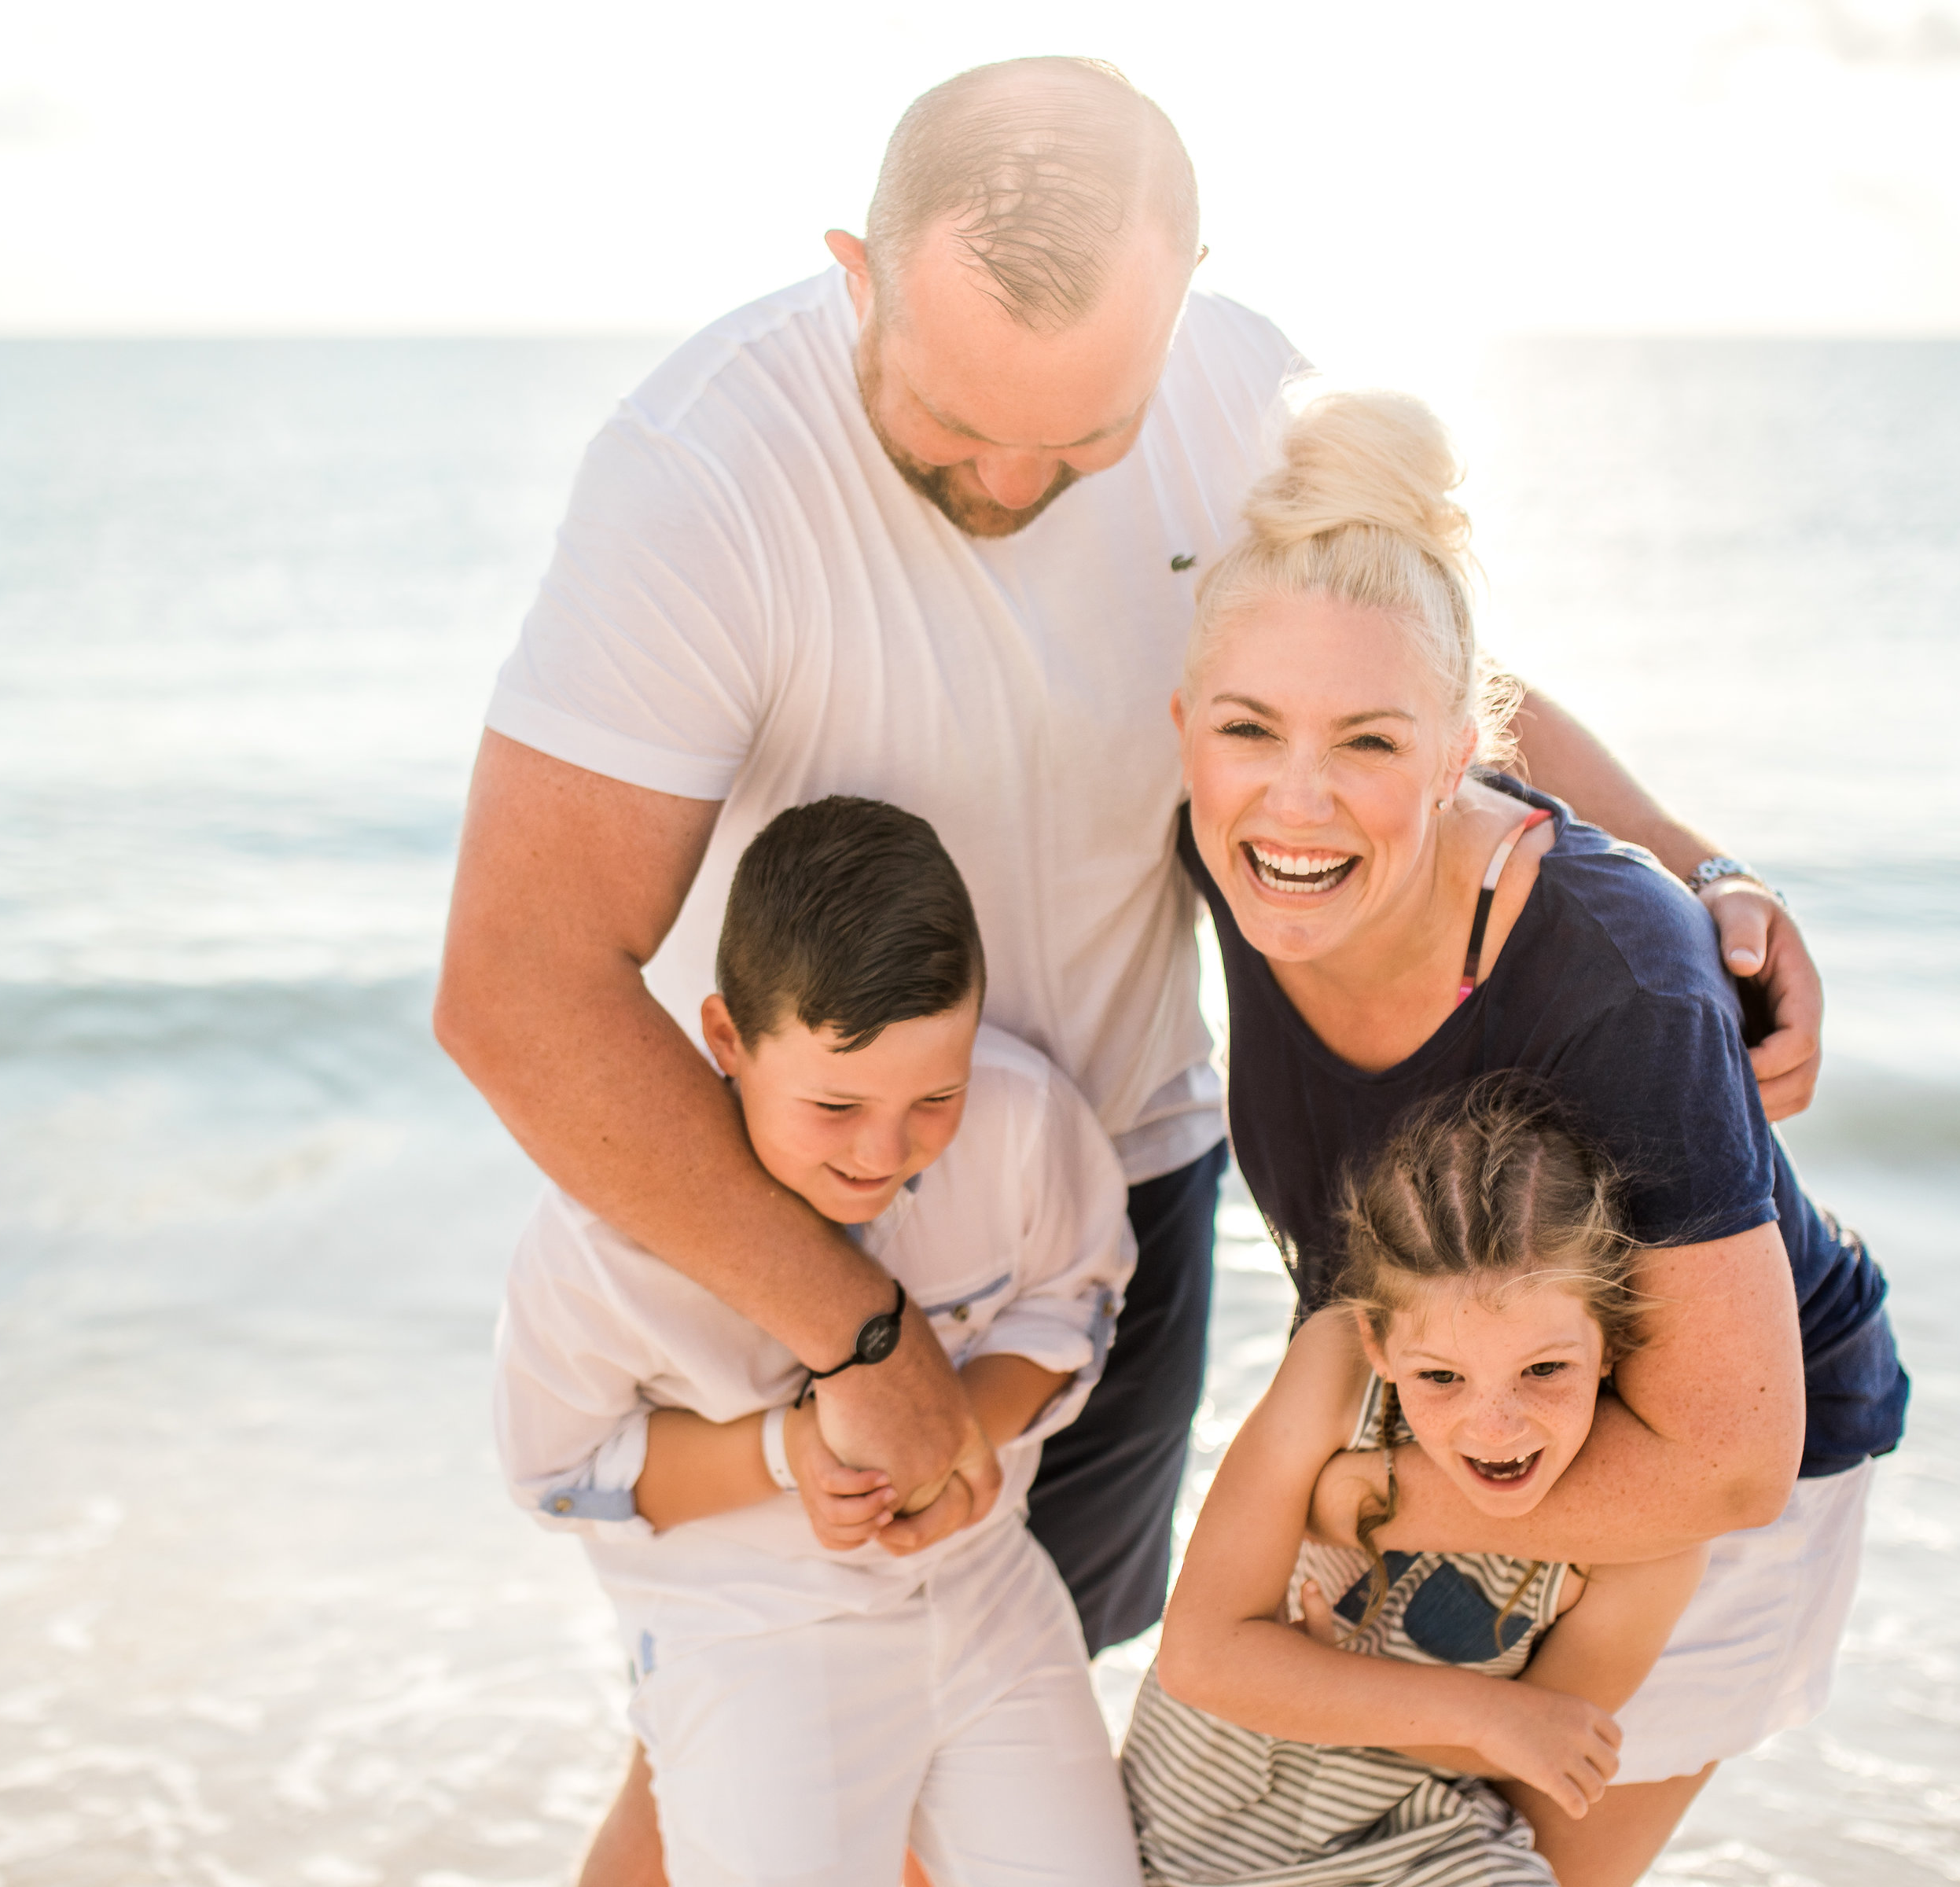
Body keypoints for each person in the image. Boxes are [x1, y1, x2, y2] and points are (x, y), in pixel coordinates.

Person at [436, 55, 1826, 1880]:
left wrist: (1689, 860)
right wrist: (847, 1327)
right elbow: (516, 984)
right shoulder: (702, 475)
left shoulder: (1238, 387)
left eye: (1080, 435)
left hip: (1111, 1208)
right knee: (753, 1713)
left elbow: (1395, 657)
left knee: (999, 1709)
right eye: (948, 417)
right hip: (797, 1199)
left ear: (1179, 306)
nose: (1011, 478)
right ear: (856, 272)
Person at [1168, 387, 1909, 1886]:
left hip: (1700, 1484)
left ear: (1457, 755)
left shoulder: (1619, 981)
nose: (1295, 796)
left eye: (1369, 744)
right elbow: (1392, 675)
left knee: (1523, 1865)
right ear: (1190, 725)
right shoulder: (1246, 832)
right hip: (1470, 1411)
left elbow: (1725, 1469)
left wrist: (1331, 1497)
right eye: (1249, 730)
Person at [495, 796, 1142, 1887]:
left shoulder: (1024, 1119)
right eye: (835, 1106)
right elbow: (555, 1476)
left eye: (936, 1095)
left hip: (986, 1589)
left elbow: (1073, 1299)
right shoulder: (598, 1247)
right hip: (749, 1633)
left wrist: (956, 1432)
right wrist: (782, 1453)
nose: (883, 1153)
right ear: (725, 1042)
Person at [1131, 1074, 1711, 1887]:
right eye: (1440, 1378)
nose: (1495, 1426)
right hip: (1190, 1806)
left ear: (1608, 1343)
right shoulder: (1337, 1370)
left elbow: (1544, 1744)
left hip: (1409, 1842)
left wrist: (1319, 1688)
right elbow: (1202, 1657)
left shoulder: (1649, 1541)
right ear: (1378, 1343)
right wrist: (1479, 1713)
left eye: (1544, 1369)